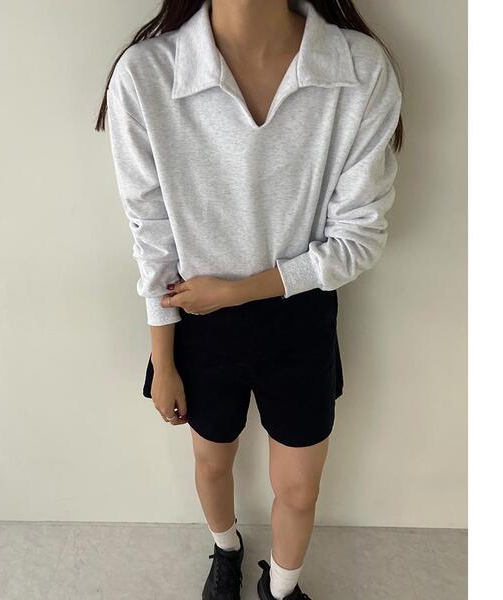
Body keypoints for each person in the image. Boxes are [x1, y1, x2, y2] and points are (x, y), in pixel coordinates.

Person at [96, 0, 403, 598]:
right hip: (198, 321)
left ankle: (281, 590)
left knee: (301, 488)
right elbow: (151, 237)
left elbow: (359, 238)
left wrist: (236, 291)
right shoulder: (147, 74)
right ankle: (226, 548)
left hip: (301, 316)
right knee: (212, 463)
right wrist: (163, 360)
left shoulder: (358, 69)